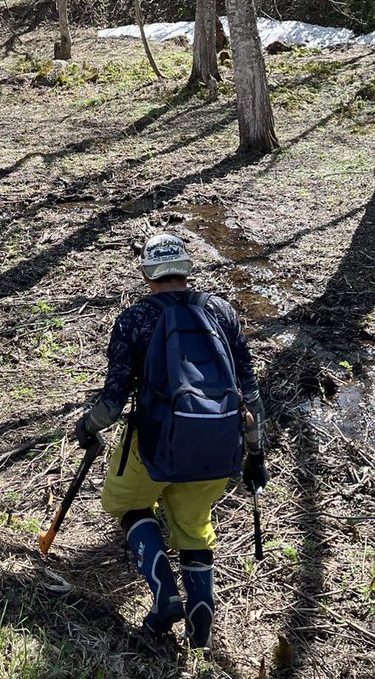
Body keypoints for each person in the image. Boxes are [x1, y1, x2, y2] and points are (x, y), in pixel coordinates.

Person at [73, 233, 267, 649]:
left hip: (155, 444)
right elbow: (249, 394)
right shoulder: (223, 312)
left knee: (125, 503)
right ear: (186, 269)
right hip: (217, 446)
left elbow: (113, 400)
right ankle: (200, 629)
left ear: (146, 273)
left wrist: (88, 428)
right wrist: (255, 452)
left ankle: (165, 596)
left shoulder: (135, 320)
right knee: (195, 528)